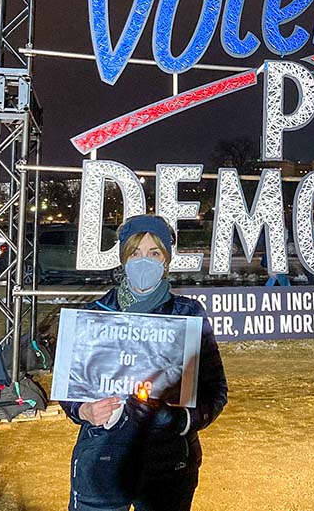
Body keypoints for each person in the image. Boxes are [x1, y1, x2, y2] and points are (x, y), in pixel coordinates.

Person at [61, 215, 228, 511]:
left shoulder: (188, 315)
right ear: (124, 259)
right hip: (101, 461)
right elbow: (70, 388)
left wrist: (179, 420)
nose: (144, 261)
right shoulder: (95, 315)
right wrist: (83, 409)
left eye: (154, 253)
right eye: (135, 253)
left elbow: (215, 390)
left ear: (166, 261)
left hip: (169, 464)